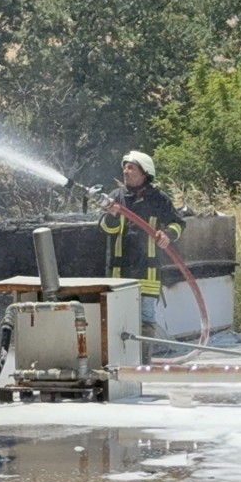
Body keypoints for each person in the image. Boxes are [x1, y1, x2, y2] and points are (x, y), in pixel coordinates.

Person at [98, 151, 185, 362]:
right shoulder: (115, 198)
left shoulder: (158, 199)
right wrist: (112, 215)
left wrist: (168, 235)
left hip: (148, 272)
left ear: (145, 173)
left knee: (146, 320)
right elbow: (104, 228)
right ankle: (118, 363)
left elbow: (178, 223)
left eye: (132, 168)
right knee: (116, 320)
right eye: (125, 167)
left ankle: (143, 363)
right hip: (119, 273)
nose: (126, 171)